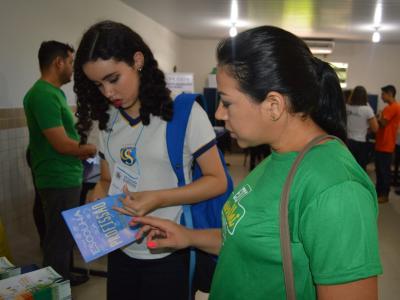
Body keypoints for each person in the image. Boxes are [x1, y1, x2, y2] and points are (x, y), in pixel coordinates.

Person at [131, 26, 382, 300]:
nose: (218, 113)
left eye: (227, 103)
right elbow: (248, 240)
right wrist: (188, 236)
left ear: (273, 104)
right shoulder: (278, 157)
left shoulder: (336, 189)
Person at [73, 20, 227, 300]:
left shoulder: (185, 112)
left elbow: (217, 181)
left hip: (169, 249)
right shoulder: (107, 120)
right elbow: (108, 178)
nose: (108, 93)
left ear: (137, 61)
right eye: (98, 84)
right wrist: (97, 196)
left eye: (113, 79)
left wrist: (157, 198)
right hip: (121, 251)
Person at [23, 41, 96, 285]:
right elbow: (62, 145)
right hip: (57, 178)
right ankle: (54, 289)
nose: (72, 68)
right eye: (71, 62)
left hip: (67, 174)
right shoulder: (42, 94)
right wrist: (94, 149)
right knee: (57, 240)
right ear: (58, 62)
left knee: (64, 236)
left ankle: (62, 279)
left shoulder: (56, 93)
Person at [374, 84, 400, 203]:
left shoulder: (392, 107)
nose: (381, 96)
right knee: (380, 170)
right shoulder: (392, 107)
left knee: (383, 171)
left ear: (390, 94)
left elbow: (383, 123)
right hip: (383, 144)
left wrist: (378, 117)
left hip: (385, 145)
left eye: (383, 94)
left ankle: (384, 195)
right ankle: (379, 192)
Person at [346, 85, 379, 170]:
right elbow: (375, 128)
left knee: (348, 166)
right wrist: (367, 130)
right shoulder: (367, 109)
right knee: (360, 168)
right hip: (360, 142)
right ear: (365, 96)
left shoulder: (347, 107)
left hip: (348, 141)